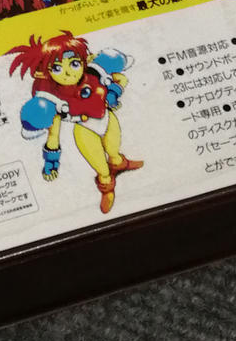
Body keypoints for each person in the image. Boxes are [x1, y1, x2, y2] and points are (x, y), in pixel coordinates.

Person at [11, 32, 142, 214]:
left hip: (106, 117)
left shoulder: (94, 73)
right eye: (57, 68)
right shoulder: (54, 99)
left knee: (114, 150)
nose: (68, 73)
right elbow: (53, 135)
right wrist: (51, 162)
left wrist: (113, 92)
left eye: (74, 64)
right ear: (45, 72)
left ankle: (119, 163)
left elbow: (121, 79)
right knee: (101, 167)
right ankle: (107, 187)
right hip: (85, 128)